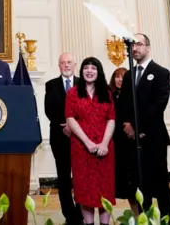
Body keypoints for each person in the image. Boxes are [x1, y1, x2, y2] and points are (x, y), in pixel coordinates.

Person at [118, 33, 170, 221]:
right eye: (133, 45)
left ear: (148, 48)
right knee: (140, 184)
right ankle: (145, 219)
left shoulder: (161, 72)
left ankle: (168, 219)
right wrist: (127, 126)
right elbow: (124, 104)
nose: (135, 48)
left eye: (139, 44)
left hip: (154, 137)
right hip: (132, 140)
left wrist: (136, 126)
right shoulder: (129, 75)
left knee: (160, 183)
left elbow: (158, 105)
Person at [65, 57, 116, 225]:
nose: (89, 71)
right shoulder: (73, 93)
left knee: (104, 189)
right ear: (82, 71)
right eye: (86, 68)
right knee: (85, 189)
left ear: (98, 72)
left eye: (93, 68)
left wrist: (104, 143)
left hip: (104, 148)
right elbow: (70, 118)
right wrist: (87, 142)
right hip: (81, 148)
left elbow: (111, 119)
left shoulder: (107, 93)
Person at [44, 53, 81, 225]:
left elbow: (89, 109)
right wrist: (65, 124)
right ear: (59, 66)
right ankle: (70, 216)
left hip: (81, 137)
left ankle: (82, 214)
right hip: (59, 137)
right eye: (63, 63)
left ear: (75, 65)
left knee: (81, 177)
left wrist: (74, 126)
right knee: (64, 178)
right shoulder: (50, 85)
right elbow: (49, 109)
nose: (66, 66)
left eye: (69, 63)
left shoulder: (84, 83)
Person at [109, 67, 138, 215]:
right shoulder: (109, 96)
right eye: (117, 76)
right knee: (122, 184)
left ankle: (140, 216)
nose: (120, 79)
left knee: (135, 184)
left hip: (131, 142)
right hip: (115, 143)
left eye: (123, 76)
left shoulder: (134, 95)